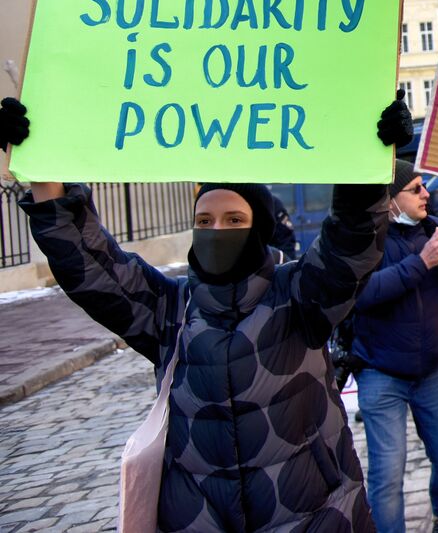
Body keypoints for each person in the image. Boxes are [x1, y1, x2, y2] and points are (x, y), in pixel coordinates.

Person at [0, 93, 412, 532]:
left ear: (259, 228)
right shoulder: (168, 309)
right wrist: (43, 174)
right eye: (205, 220)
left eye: (234, 220)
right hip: (199, 519)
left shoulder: (299, 295)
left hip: (310, 516)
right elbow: (92, 269)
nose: (217, 230)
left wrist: (367, 167)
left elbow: (352, 244)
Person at [351, 160, 438, 533]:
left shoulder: (435, 228)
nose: (426, 193)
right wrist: (422, 262)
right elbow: (363, 295)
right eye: (415, 189)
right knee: (388, 474)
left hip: (432, 369)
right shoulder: (367, 237)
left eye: (423, 186)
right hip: (380, 373)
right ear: (390, 200)